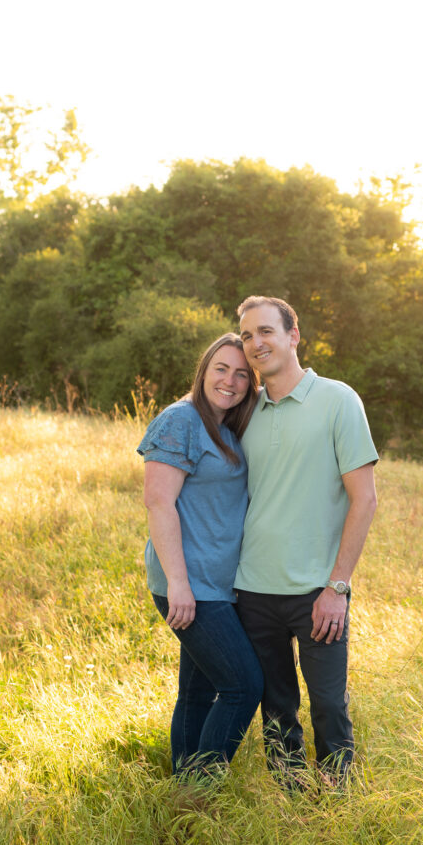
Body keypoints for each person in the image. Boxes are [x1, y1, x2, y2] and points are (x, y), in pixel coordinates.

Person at [234, 296, 378, 787]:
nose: (257, 344)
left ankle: (336, 802)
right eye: (248, 336)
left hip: (318, 591)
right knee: (275, 705)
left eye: (266, 332)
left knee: (329, 705)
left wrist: (337, 587)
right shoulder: (245, 410)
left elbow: (365, 499)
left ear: (294, 336)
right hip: (252, 590)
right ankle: (290, 801)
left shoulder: (338, 400)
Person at [137, 333, 263, 779]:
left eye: (242, 374)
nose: (230, 380)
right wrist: (179, 585)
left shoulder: (228, 424)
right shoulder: (180, 421)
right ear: (204, 371)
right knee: (243, 686)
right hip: (190, 584)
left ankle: (182, 792)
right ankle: (200, 793)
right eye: (221, 369)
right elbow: (159, 502)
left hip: (218, 584)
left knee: (197, 693)